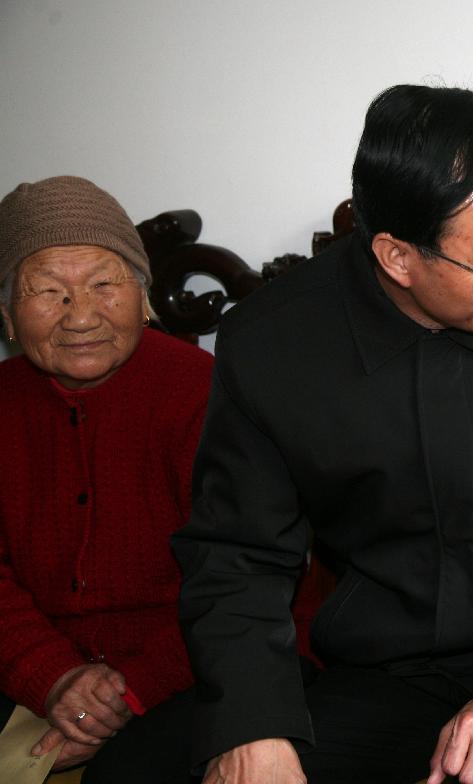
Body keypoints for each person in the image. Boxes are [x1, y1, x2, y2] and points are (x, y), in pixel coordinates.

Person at [171, 84, 473, 784]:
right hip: (390, 668)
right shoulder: (272, 346)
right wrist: (253, 722)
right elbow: (237, 552)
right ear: (398, 258)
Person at [0, 175, 214, 781]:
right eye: (48, 291)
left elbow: (239, 579)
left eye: (103, 284)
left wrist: (124, 693)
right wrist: (52, 676)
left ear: (143, 296)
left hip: (192, 667)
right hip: (34, 664)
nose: (81, 317)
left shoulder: (205, 395)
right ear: (7, 312)